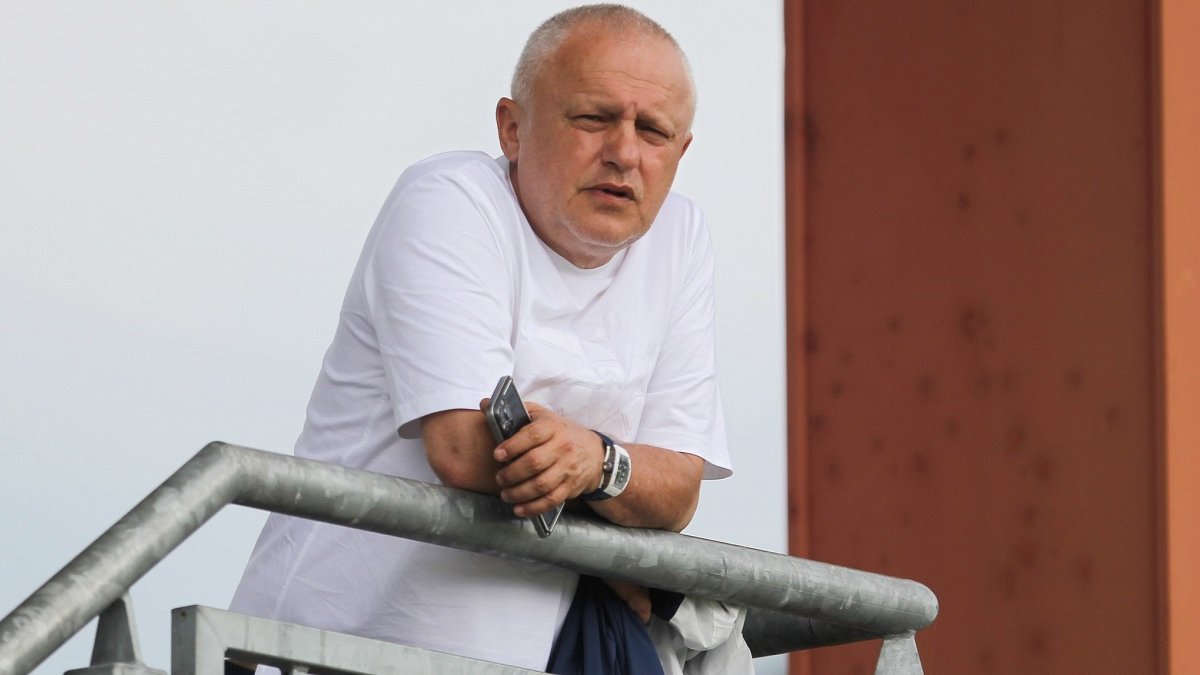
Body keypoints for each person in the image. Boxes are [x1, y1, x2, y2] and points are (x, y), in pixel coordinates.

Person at [229, 4, 733, 672]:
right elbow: (466, 447)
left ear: (681, 152)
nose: (624, 152)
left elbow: (678, 490)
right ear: (512, 128)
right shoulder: (450, 199)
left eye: (653, 130)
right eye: (593, 118)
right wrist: (616, 514)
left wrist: (594, 460)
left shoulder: (681, 236)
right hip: (340, 643)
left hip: (543, 654)